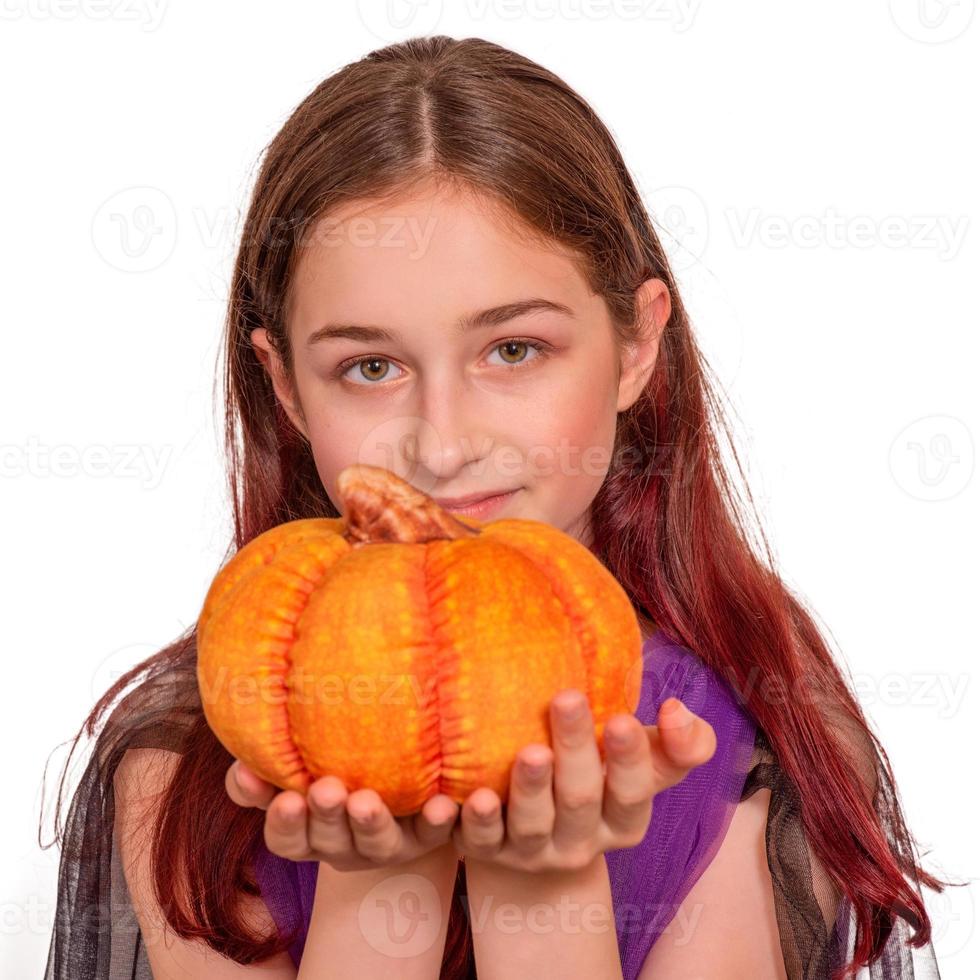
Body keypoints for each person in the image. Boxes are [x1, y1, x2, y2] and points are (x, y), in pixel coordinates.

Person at [39, 35, 956, 980]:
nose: (442, 443)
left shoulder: (731, 740)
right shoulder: (192, 756)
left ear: (637, 343)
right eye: (370, 366)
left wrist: (543, 883)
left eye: (514, 350)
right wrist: (382, 878)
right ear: (285, 388)